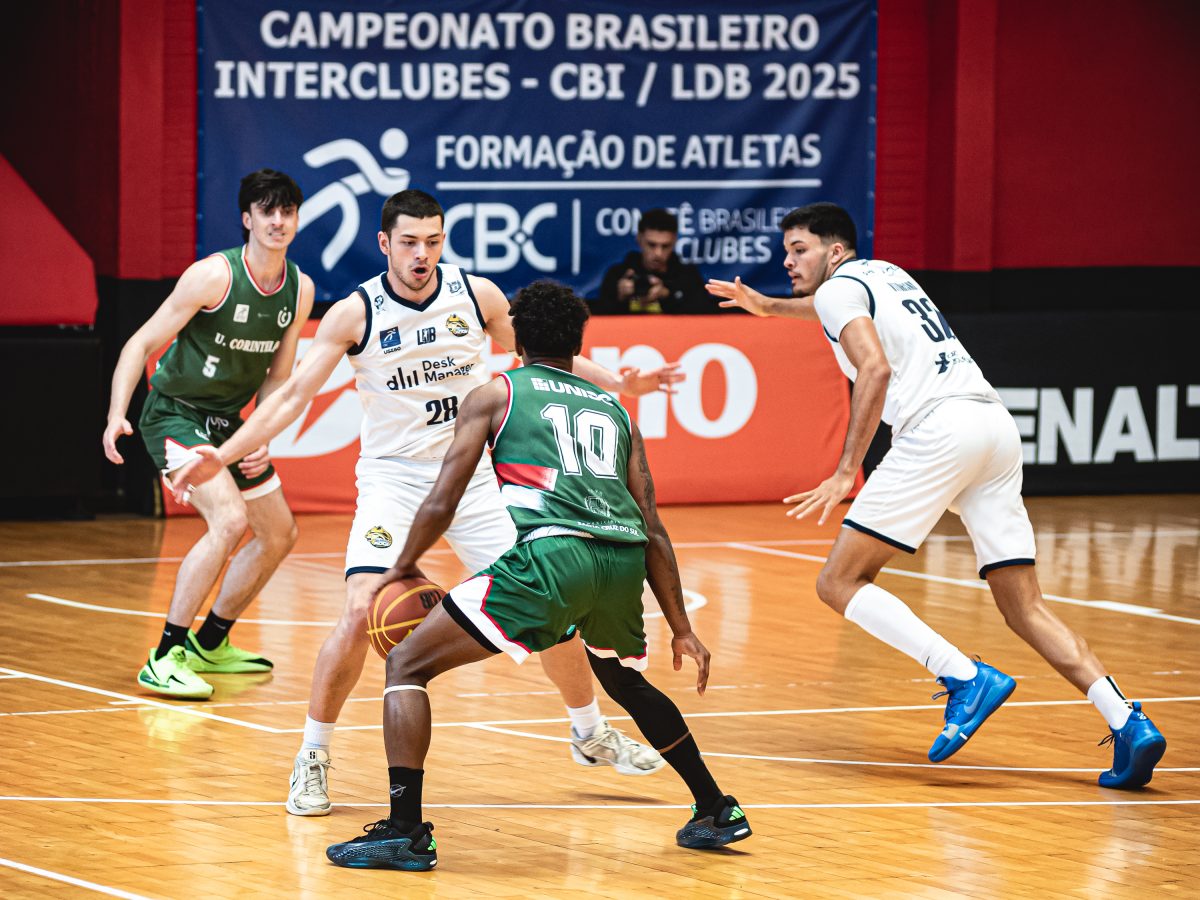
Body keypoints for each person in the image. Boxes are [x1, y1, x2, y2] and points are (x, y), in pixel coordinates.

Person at [170, 189, 685, 817]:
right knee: (359, 610)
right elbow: (294, 393)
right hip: (395, 483)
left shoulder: (477, 296)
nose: (422, 254)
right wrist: (225, 454)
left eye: (433, 241)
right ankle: (313, 755)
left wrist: (622, 382)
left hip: (474, 482)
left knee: (554, 603)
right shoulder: (355, 312)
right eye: (410, 242)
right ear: (384, 243)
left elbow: (551, 360)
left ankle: (589, 732)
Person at [708, 201, 1167, 788]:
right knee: (1024, 606)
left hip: (938, 430)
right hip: (993, 425)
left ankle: (963, 676)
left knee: (839, 582)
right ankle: (1127, 720)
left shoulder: (838, 291)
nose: (788, 261)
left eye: (800, 250)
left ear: (835, 250)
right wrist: (769, 306)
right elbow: (831, 310)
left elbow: (874, 369)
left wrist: (847, 470)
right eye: (786, 252)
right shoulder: (886, 274)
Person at [323, 280, 751, 870]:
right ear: (576, 345)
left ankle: (404, 831)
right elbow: (652, 526)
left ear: (516, 340)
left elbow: (443, 500)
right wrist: (681, 627)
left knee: (406, 665)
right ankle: (716, 807)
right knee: (623, 681)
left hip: (553, 557)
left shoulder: (495, 393)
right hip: (620, 564)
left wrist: (401, 566)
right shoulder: (615, 411)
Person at [102, 169, 314, 700]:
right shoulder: (212, 276)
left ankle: (210, 643)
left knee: (279, 534)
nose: (278, 221)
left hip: (228, 424)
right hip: (174, 414)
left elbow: (279, 376)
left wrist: (262, 433)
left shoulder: (300, 289)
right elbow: (138, 343)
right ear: (247, 219)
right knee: (230, 519)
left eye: (287, 211)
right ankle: (164, 655)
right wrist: (116, 414)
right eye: (267, 211)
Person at [593, 208, 712, 315]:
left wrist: (668, 295)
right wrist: (619, 298)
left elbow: (705, 317)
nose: (658, 253)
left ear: (675, 241)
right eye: (651, 245)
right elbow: (597, 320)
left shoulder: (687, 276)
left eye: (665, 246)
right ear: (639, 239)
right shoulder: (618, 274)